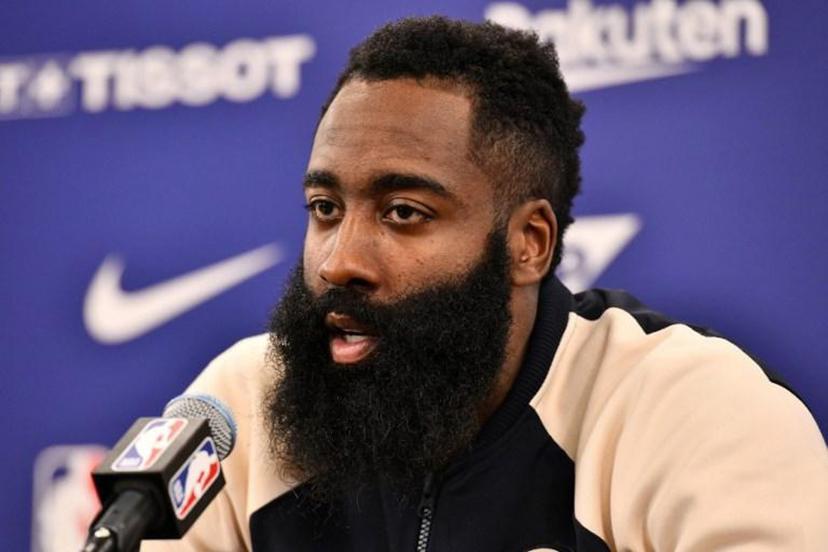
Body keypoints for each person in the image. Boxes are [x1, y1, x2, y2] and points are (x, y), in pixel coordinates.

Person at [142, 16, 827, 552]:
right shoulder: (238, 407)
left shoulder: (690, 411)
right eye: (325, 209)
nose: (338, 262)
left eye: (403, 213)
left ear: (529, 244)